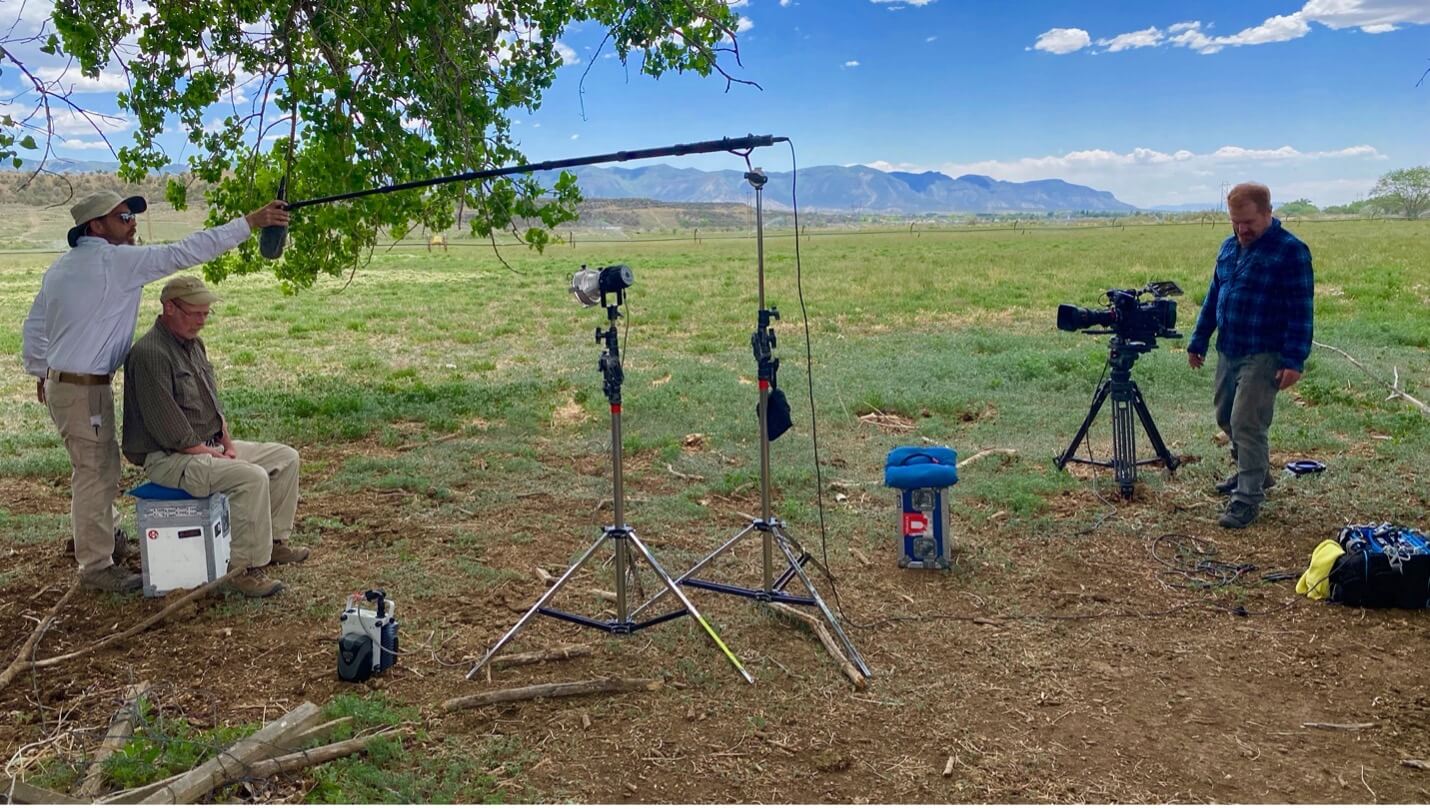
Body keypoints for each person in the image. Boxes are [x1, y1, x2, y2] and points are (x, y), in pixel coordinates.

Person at [21, 191, 290, 592]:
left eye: (132, 216)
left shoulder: (62, 269)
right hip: (83, 387)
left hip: (71, 383)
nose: (132, 224)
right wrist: (250, 223)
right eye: (123, 216)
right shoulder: (114, 261)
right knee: (95, 472)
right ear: (95, 227)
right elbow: (186, 250)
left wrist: (41, 370)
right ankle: (96, 565)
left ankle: (101, 537)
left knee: (97, 465)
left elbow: (36, 324)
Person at [122, 276, 309, 598]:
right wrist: (211, 454)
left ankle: (274, 542)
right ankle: (243, 569)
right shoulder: (149, 354)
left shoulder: (193, 345)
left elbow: (211, 402)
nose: (202, 321)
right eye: (196, 313)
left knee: (285, 457)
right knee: (250, 477)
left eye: (206, 314)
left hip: (205, 447)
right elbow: (169, 428)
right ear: (169, 308)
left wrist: (228, 443)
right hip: (171, 459)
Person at [1186, 182, 1314, 530]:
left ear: (1268, 213)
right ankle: (1254, 473)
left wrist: (1294, 359)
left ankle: (1247, 497)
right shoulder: (1229, 248)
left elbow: (1301, 311)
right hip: (1229, 347)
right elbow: (1215, 297)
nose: (1242, 229)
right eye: (1236, 222)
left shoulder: (1291, 252)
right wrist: (1198, 339)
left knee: (1247, 422)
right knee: (1225, 416)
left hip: (1265, 351)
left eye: (1249, 223)